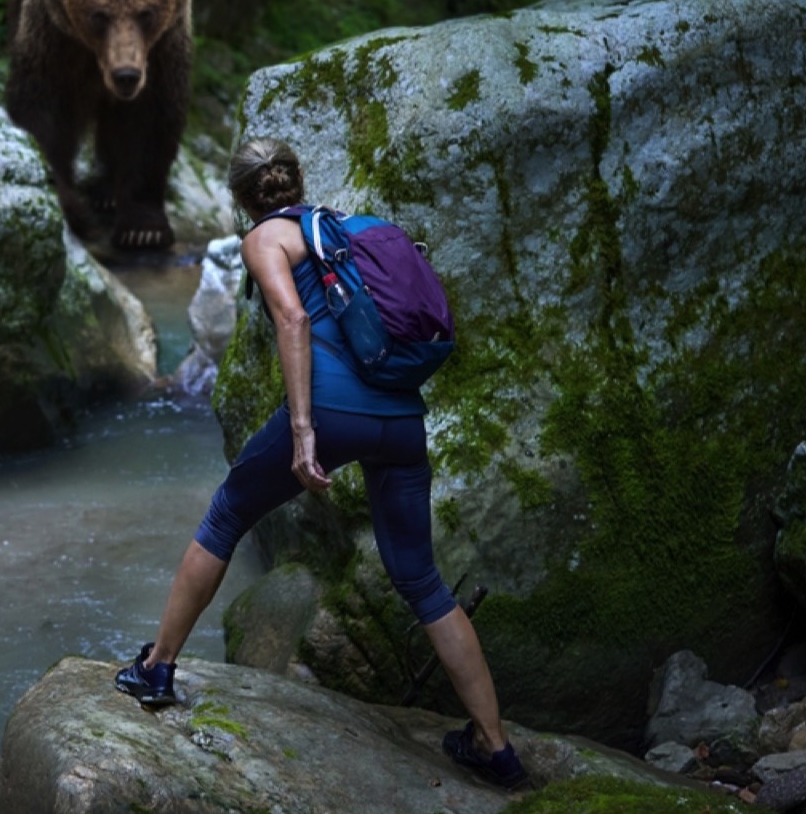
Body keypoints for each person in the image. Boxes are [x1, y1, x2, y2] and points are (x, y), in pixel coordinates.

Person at [113, 137, 529, 790]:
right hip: (400, 418)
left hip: (333, 409)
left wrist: (303, 433)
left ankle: (157, 667)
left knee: (227, 514)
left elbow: (293, 319)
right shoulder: (353, 229)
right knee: (422, 583)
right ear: (296, 181)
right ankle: (494, 744)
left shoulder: (265, 238)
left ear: (244, 197)